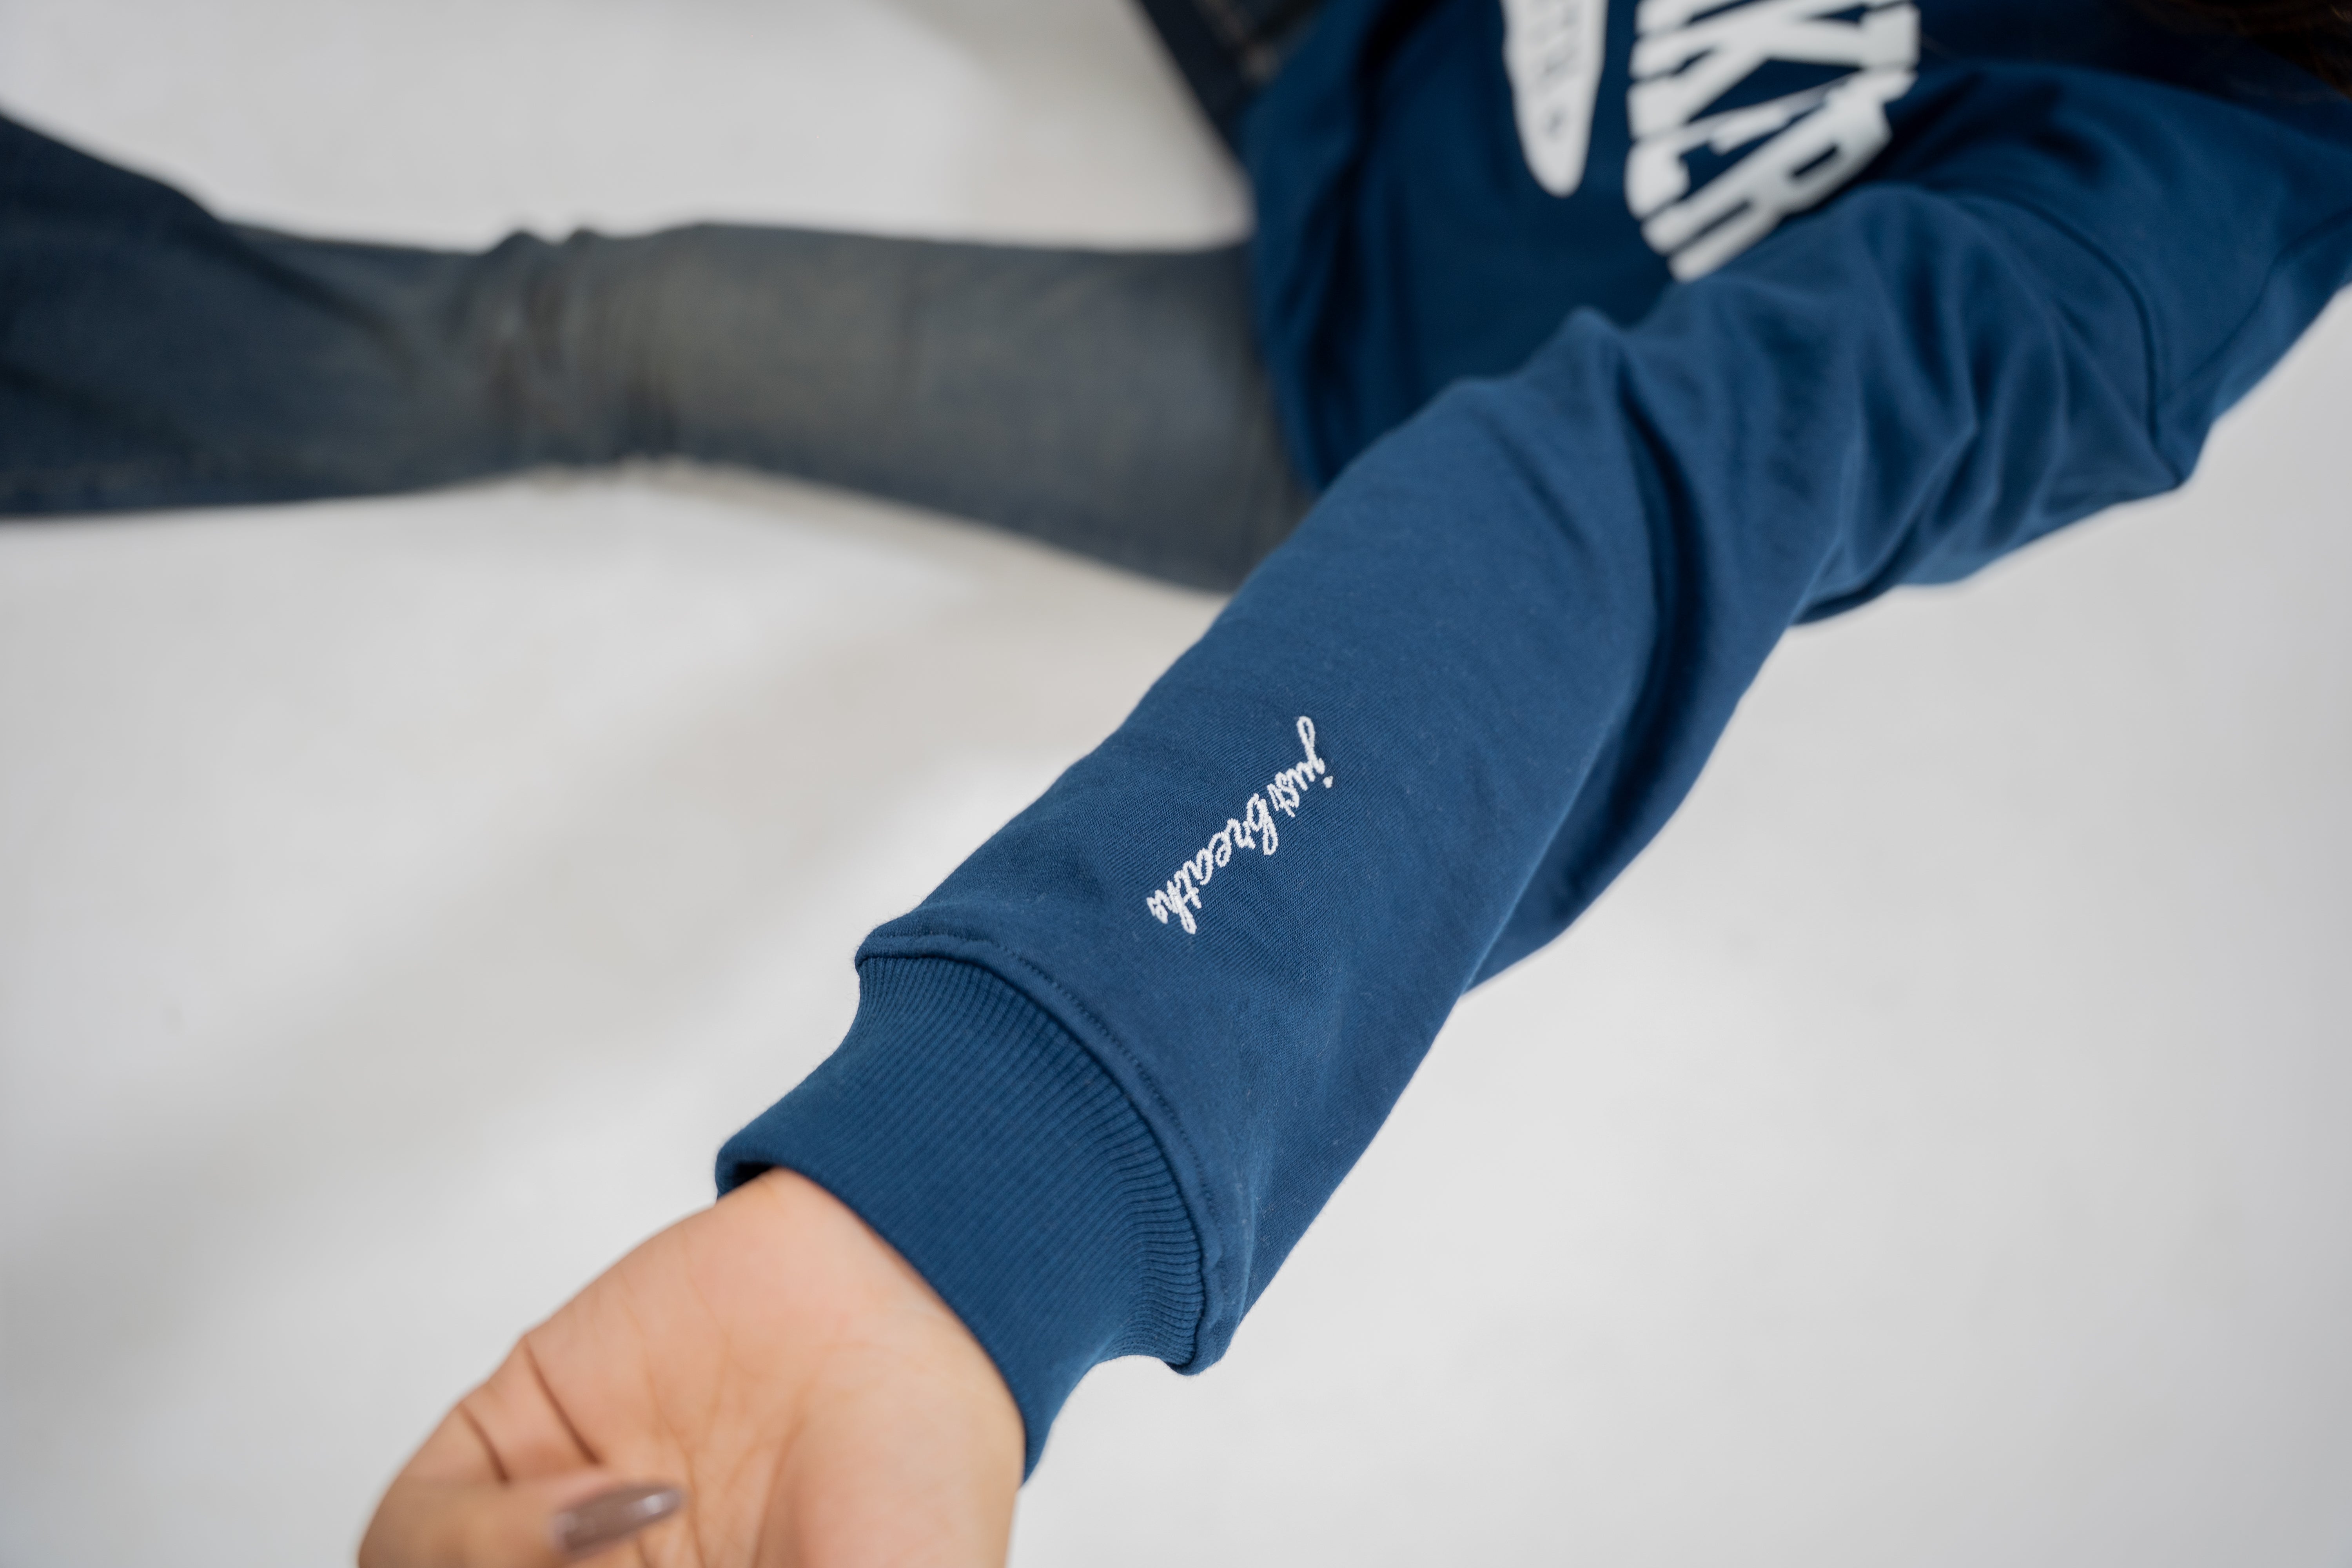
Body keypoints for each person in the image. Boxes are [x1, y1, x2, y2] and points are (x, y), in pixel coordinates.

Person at [6, 0, 2348, 1560]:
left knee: (584, 330)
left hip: (1337, 381)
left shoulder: (2162, 235)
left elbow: (1627, 511)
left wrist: (977, 1196)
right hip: (1382, 37)